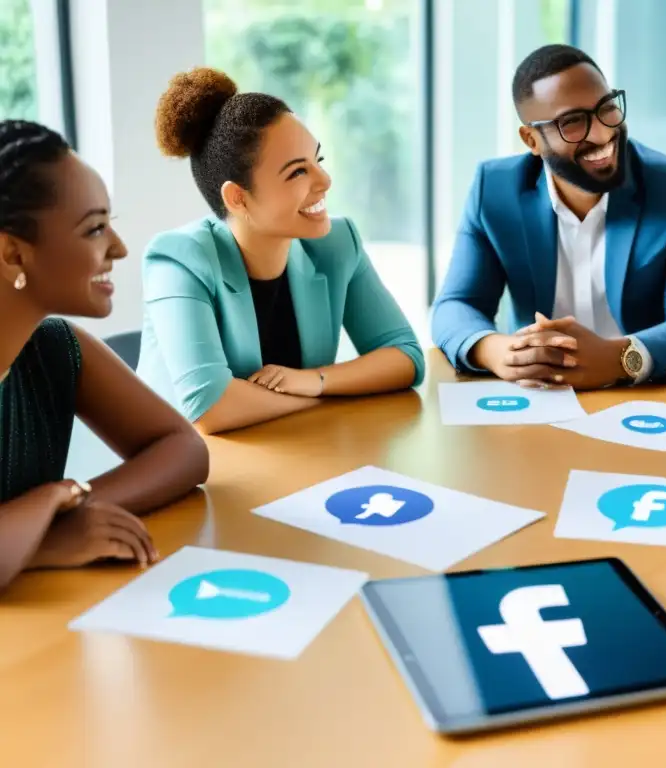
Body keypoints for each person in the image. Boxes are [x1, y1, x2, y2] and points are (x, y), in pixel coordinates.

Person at [137, 68, 424, 434]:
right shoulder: (178, 259)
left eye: (317, 161)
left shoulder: (337, 242)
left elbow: (405, 357)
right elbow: (210, 407)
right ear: (238, 197)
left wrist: (314, 380)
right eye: (296, 173)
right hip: (191, 470)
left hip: (291, 449)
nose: (325, 181)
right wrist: (325, 397)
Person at [430, 44, 666, 390]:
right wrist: (497, 351)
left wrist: (618, 358)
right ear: (532, 140)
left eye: (607, 108)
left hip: (646, 393)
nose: (601, 134)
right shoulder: (494, 190)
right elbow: (456, 304)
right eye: (572, 123)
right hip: (541, 394)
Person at [0, 120, 209, 591]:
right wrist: (45, 525)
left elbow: (186, 450)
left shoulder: (53, 346)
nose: (118, 247)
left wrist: (75, 511)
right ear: (13, 254)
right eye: (94, 229)